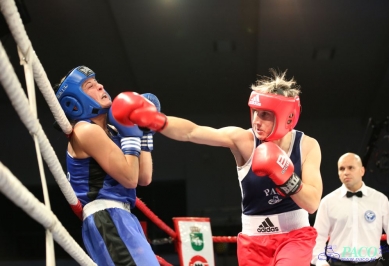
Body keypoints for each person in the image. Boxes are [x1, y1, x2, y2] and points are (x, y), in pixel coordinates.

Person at [110, 68, 323, 266]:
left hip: (295, 236)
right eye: (255, 112)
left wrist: (286, 176)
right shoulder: (244, 140)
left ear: (288, 116)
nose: (257, 120)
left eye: (265, 114)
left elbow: (312, 203)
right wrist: (156, 120)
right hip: (254, 241)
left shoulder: (307, 146)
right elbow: (192, 132)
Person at [54, 65, 160, 266]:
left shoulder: (113, 132)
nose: (101, 86)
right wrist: (131, 134)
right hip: (107, 218)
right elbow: (129, 179)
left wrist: (144, 132)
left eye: (98, 82)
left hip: (123, 217)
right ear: (75, 101)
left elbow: (143, 178)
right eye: (90, 86)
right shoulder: (85, 130)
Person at [311, 152, 389, 266]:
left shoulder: (379, 200)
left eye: (351, 168)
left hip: (373, 263)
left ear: (362, 171)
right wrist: (320, 261)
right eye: (342, 169)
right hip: (337, 263)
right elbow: (318, 237)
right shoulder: (328, 202)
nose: (346, 172)